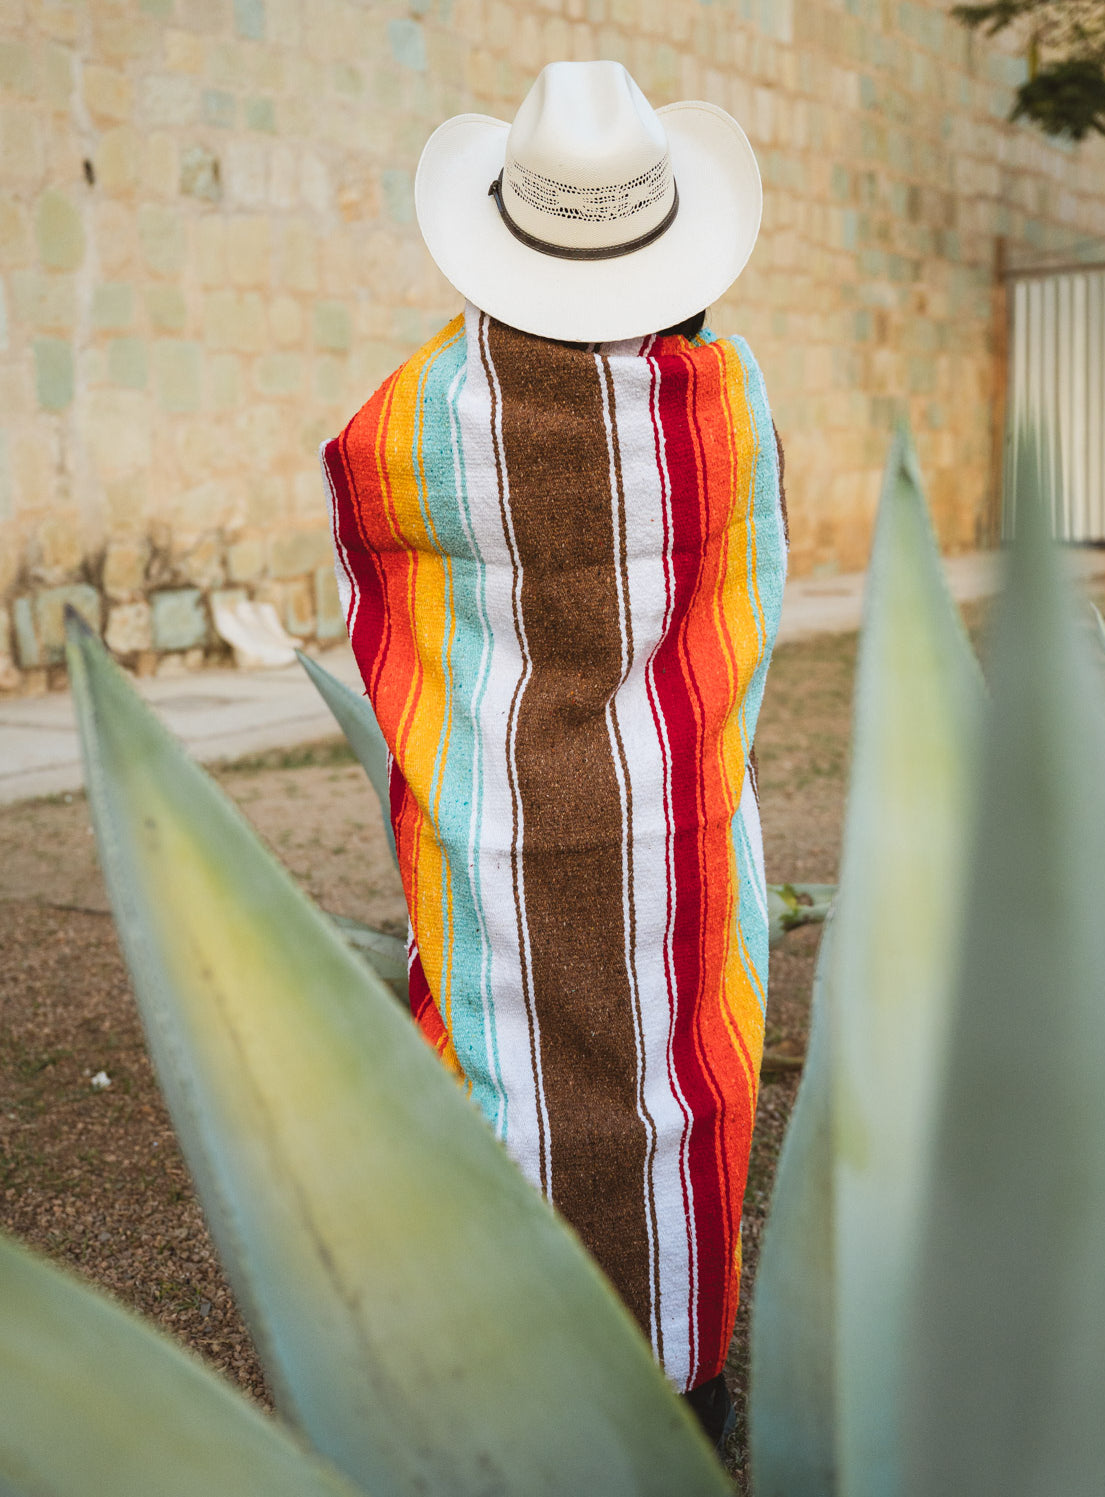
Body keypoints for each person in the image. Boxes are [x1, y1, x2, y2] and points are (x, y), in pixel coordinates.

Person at [320, 59, 787, 1454]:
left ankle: (513, 1380)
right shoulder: (727, 404)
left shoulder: (408, 424)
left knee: (508, 1066)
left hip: (497, 852)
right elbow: (739, 595)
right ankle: (684, 1378)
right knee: (675, 1081)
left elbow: (375, 548)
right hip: (678, 835)